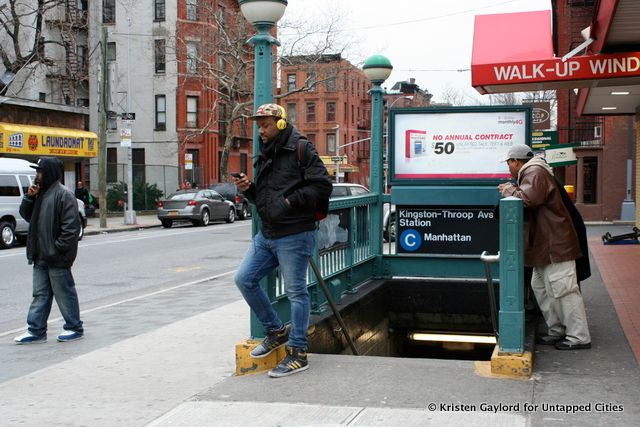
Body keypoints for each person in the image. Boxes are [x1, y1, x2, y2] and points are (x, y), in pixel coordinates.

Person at [233, 103, 332, 377]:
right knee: (244, 279)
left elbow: (323, 185)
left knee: (296, 293)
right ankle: (276, 330)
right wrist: (249, 189)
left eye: (265, 125)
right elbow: (266, 198)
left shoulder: (301, 148)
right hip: (268, 233)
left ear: (278, 123)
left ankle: (298, 353)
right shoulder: (266, 152)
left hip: (295, 233)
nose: (260, 130)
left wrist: (289, 202)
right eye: (258, 125)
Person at [497, 144, 591, 350]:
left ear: (516, 161)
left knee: (564, 290)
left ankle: (578, 337)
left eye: (508, 163)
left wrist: (508, 189)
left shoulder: (534, 171)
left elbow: (528, 199)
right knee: (542, 288)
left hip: (554, 245)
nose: (508, 168)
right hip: (546, 246)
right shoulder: (532, 171)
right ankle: (557, 330)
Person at [14, 157, 84, 344]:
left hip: (56, 257)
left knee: (64, 293)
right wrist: (29, 197)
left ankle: (74, 327)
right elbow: (27, 216)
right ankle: (36, 331)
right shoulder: (39, 194)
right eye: (37, 171)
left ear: (50, 173)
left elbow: (71, 229)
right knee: (40, 295)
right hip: (40, 256)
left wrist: (56, 249)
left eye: (40, 171)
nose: (37, 175)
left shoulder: (64, 195)